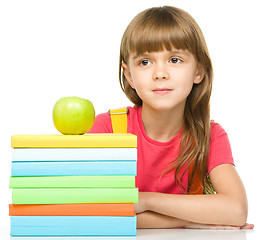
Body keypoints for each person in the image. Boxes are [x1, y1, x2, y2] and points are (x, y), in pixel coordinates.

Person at [88, 6, 254, 229]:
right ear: (129, 76)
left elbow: (235, 211)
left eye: (175, 60)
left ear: (199, 71)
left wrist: (145, 200)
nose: (160, 73)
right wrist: (187, 220)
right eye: (145, 62)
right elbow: (93, 211)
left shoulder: (210, 136)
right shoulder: (107, 128)